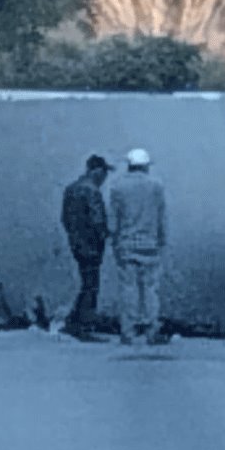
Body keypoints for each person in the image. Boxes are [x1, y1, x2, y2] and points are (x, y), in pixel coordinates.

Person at [109, 148, 168, 345]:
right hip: (150, 245)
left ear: (129, 165)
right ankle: (152, 329)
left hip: (126, 244)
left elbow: (113, 221)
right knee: (151, 289)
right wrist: (162, 241)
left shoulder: (118, 187)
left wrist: (114, 241)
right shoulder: (156, 186)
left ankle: (128, 331)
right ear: (146, 166)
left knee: (128, 289)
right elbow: (162, 218)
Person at [60, 155, 113, 340]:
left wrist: (74, 234)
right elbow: (98, 220)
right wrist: (105, 235)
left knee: (86, 282)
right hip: (91, 244)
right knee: (91, 285)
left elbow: (65, 219)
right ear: (96, 171)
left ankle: (74, 321)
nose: (105, 177)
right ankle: (83, 326)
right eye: (104, 172)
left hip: (76, 242)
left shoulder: (71, 189)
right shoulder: (92, 191)